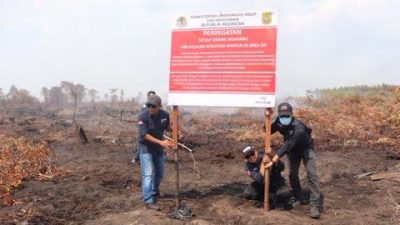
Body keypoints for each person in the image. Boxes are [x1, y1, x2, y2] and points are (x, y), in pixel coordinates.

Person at [265, 102, 323, 218]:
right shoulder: (278, 122)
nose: (284, 118)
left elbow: (288, 145)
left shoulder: (299, 126)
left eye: (287, 116)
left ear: (291, 114)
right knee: (292, 174)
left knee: (312, 175)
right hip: (293, 151)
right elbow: (267, 131)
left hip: (306, 148)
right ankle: (298, 197)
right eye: (282, 116)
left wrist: (274, 159)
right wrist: (268, 116)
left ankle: (315, 205)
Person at [137, 95, 173, 210]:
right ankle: (148, 200)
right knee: (148, 174)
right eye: (148, 105)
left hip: (158, 147)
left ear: (160, 106)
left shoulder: (165, 115)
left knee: (160, 172)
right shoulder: (143, 116)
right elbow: (144, 135)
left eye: (153, 106)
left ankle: (154, 191)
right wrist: (161, 142)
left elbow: (168, 128)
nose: (150, 108)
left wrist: (175, 129)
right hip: (146, 147)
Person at [242, 146, 291, 210]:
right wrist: (263, 164)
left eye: (252, 153)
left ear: (255, 151)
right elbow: (259, 178)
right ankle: (267, 198)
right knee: (248, 194)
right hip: (261, 184)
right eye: (247, 156)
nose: (251, 157)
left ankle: (277, 201)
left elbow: (281, 167)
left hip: (276, 182)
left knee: (285, 193)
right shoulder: (247, 165)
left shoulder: (266, 154)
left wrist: (274, 159)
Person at [132, 91, 157, 165]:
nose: (153, 98)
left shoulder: (155, 106)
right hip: (144, 128)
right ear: (148, 97)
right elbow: (141, 117)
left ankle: (142, 158)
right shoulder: (145, 106)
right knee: (141, 143)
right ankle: (136, 159)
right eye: (151, 97)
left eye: (154, 96)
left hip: (152, 129)